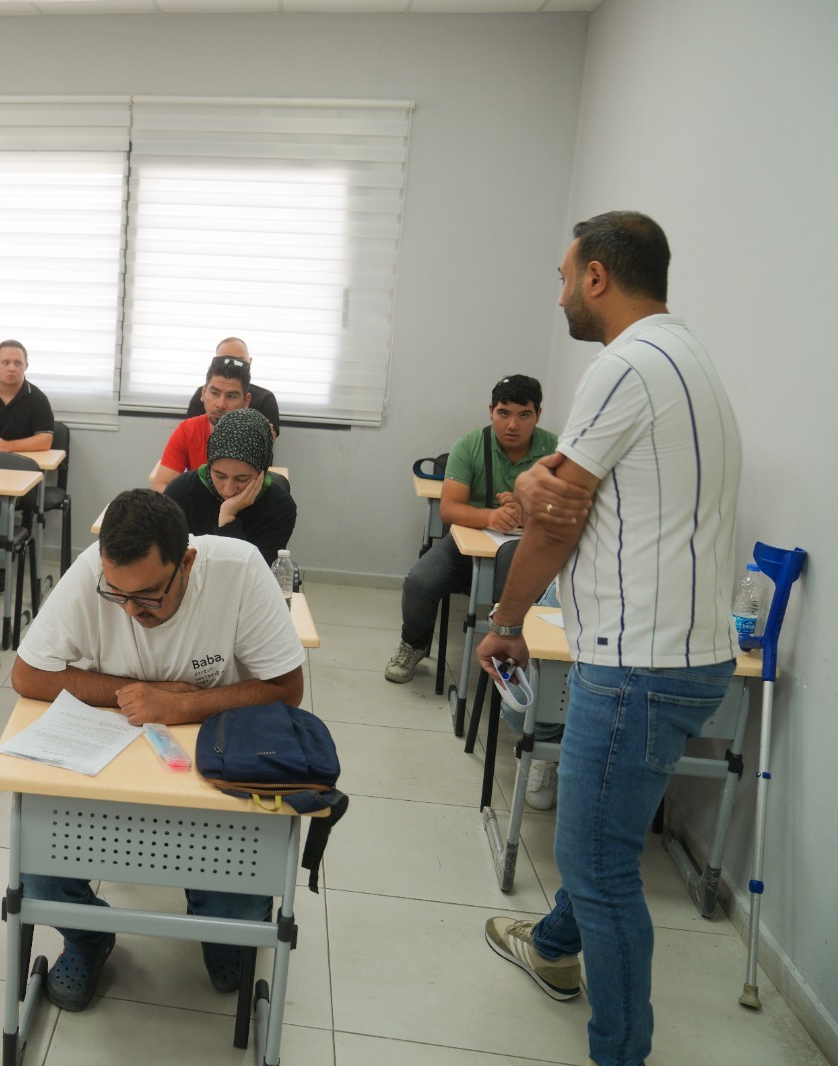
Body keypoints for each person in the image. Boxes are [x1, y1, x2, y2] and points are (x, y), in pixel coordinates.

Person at [477, 212, 742, 1066]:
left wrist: (506, 622)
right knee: (607, 837)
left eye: (565, 277)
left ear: (597, 277)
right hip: (690, 654)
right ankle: (555, 948)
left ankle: (620, 1052)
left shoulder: (623, 365)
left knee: (597, 867)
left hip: (637, 664)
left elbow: (554, 518)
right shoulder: (685, 355)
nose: (560, 294)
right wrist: (534, 478)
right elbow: (555, 486)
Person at [12, 488, 305, 1011]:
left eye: (149, 595)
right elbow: (28, 674)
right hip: (113, 750)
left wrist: (180, 705)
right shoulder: (96, 570)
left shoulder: (238, 570)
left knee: (236, 924)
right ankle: (87, 934)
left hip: (212, 758)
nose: (131, 611)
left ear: (186, 562)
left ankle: (213, 916)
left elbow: (286, 688)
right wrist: (139, 694)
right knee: (37, 856)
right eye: (116, 595)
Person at [383, 374, 556, 685]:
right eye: (504, 413)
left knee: (539, 598)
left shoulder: (555, 450)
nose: (512, 425)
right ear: (491, 411)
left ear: (538, 415)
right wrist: (492, 517)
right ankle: (414, 645)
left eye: (524, 415)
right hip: (468, 543)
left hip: (531, 549)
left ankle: (522, 660)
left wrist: (527, 516)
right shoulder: (469, 445)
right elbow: (449, 509)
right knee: (419, 582)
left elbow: (567, 515)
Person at [163, 408, 296, 565]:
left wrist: (228, 517)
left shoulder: (279, 506)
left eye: (242, 479)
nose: (228, 490)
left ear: (262, 468)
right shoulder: (181, 491)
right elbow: (164, 561)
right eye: (219, 476)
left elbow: (255, 574)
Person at [150, 354, 253, 492]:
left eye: (231, 396)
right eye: (215, 393)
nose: (221, 404)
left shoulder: (254, 436)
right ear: (204, 392)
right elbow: (160, 487)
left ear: (246, 401)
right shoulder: (187, 430)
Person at [184, 337, 281, 437]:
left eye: (240, 361)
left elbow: (265, 442)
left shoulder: (265, 399)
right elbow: (190, 435)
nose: (232, 366)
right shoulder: (204, 395)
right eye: (225, 360)